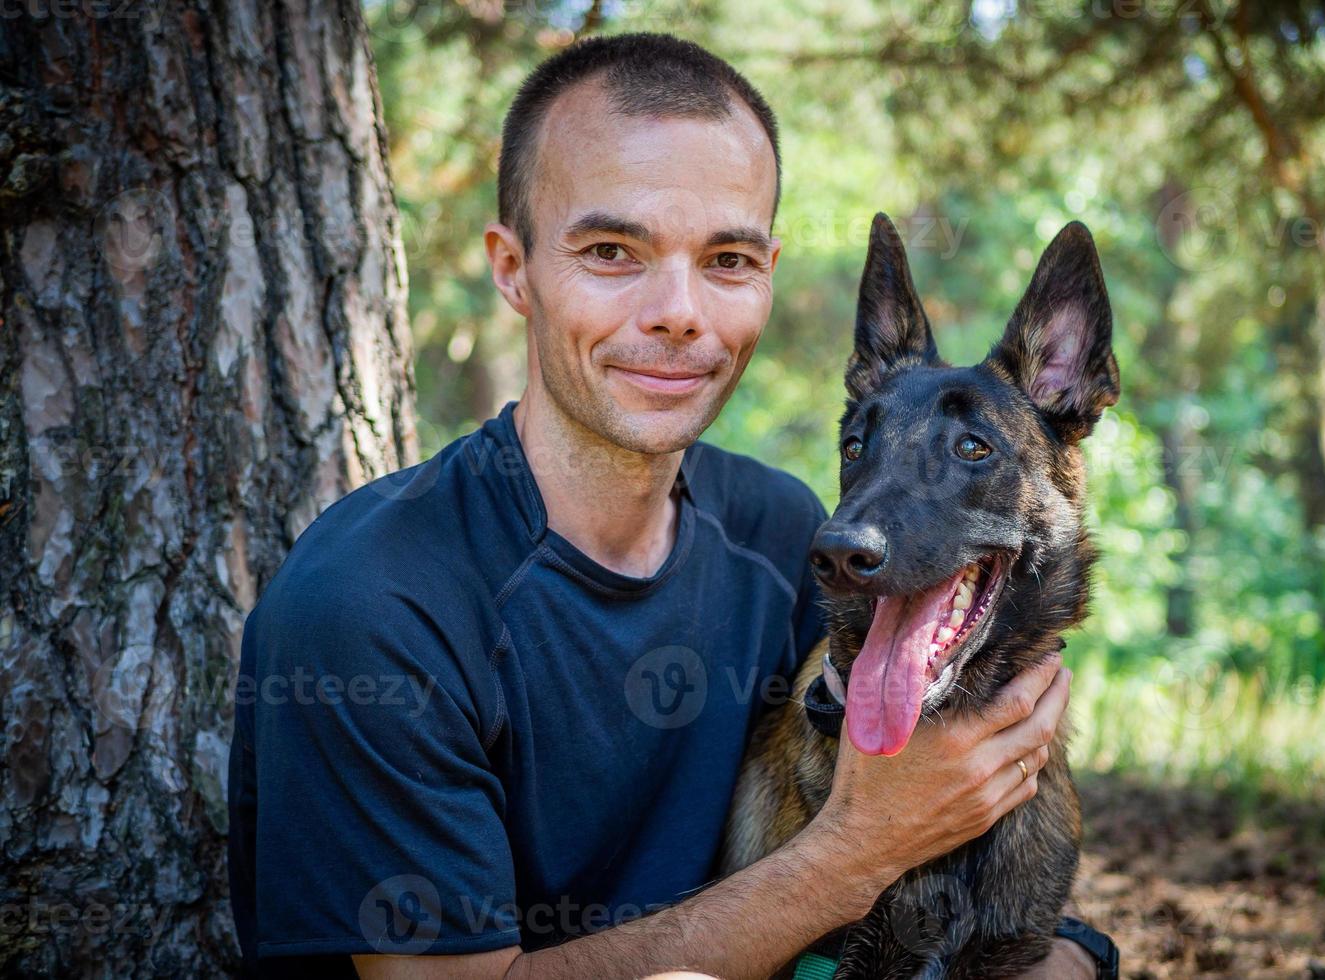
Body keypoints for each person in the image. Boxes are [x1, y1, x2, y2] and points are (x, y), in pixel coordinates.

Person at [228, 33, 1101, 980]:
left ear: (767, 273)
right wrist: (855, 853)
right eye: (613, 250)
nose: (679, 311)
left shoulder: (779, 531)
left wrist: (1074, 957)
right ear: (513, 268)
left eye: (726, 259)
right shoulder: (371, 604)